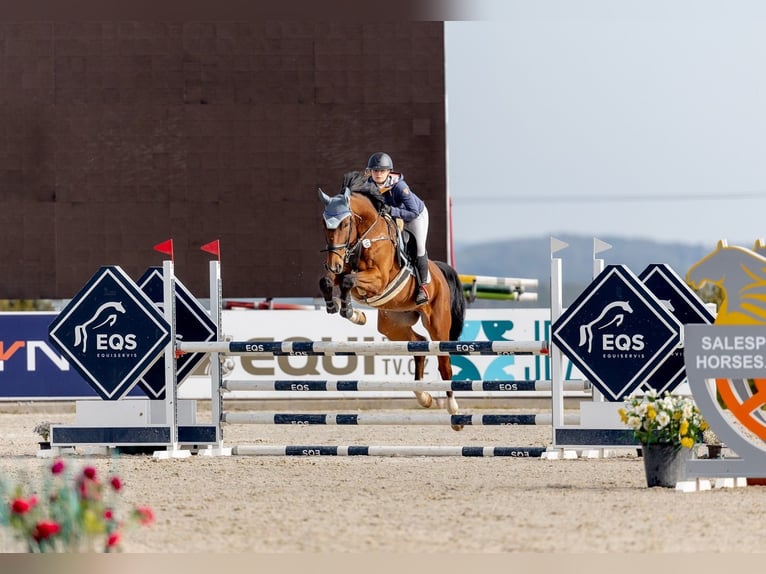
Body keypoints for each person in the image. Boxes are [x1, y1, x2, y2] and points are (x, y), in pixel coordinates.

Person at [365, 152, 431, 305]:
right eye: (375, 170)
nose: (378, 174)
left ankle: (423, 287)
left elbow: (413, 211)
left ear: (389, 172)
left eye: (382, 171)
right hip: (392, 216)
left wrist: (391, 211)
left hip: (415, 216)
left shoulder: (400, 186)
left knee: (419, 248)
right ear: (370, 172)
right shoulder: (368, 186)